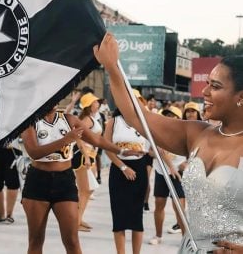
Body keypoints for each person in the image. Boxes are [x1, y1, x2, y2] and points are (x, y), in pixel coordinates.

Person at [94, 32, 243, 254]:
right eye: (207, 83)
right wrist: (113, 68)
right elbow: (137, 117)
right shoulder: (197, 133)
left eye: (216, 86)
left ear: (240, 97)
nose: (204, 92)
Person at [20, 105, 143, 254]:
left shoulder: (69, 119)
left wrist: (121, 150)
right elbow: (34, 152)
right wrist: (65, 140)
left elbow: (96, 139)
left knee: (72, 240)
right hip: (38, 180)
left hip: (64, 180)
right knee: (36, 240)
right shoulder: (30, 122)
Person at [104, 107, 150, 254]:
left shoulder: (143, 122)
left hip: (139, 169)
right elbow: (106, 147)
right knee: (119, 217)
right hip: (119, 169)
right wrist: (123, 167)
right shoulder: (113, 122)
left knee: (137, 216)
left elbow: (152, 145)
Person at [148, 106, 186, 245]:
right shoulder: (157, 133)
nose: (169, 117)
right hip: (161, 172)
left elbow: (192, 152)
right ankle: (158, 236)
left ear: (178, 118)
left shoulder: (184, 133)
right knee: (159, 204)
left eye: (172, 115)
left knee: (180, 207)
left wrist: (186, 164)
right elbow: (151, 152)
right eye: (167, 114)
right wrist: (157, 153)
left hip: (178, 173)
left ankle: (185, 238)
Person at [73, 92, 102, 232]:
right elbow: (77, 136)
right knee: (85, 190)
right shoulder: (87, 119)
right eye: (95, 102)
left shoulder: (91, 118)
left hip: (88, 156)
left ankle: (78, 218)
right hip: (82, 156)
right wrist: (85, 155)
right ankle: (76, 222)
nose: (98, 103)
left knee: (87, 190)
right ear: (90, 105)